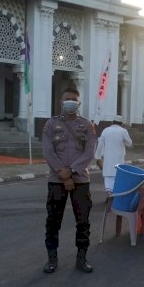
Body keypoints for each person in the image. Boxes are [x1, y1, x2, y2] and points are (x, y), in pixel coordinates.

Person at [42, 87, 97, 273]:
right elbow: (48, 151)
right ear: (61, 101)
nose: (71, 102)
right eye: (68, 99)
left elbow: (89, 151)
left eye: (74, 99)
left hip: (81, 180)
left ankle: (82, 258)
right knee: (53, 221)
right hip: (56, 180)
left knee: (83, 222)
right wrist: (62, 173)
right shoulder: (50, 125)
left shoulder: (87, 125)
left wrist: (71, 172)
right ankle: (52, 259)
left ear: (79, 103)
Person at [95, 114, 133, 194]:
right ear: (121, 123)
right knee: (117, 177)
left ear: (112, 122)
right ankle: (114, 195)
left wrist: (98, 157)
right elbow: (129, 143)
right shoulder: (123, 131)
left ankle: (109, 192)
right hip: (119, 158)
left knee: (108, 177)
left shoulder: (105, 130)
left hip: (108, 159)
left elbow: (100, 144)